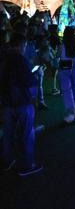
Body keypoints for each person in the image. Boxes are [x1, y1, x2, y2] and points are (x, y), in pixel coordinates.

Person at [0, 33, 43, 176]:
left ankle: (8, 160)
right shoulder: (20, 60)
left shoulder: (3, 57)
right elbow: (28, 81)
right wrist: (36, 75)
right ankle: (26, 165)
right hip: (21, 102)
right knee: (26, 134)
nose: (25, 49)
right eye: (24, 46)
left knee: (8, 133)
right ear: (20, 45)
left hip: (6, 102)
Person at [58, 26, 75, 124]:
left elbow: (58, 55)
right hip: (74, 66)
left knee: (67, 91)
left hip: (64, 68)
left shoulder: (62, 45)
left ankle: (71, 114)